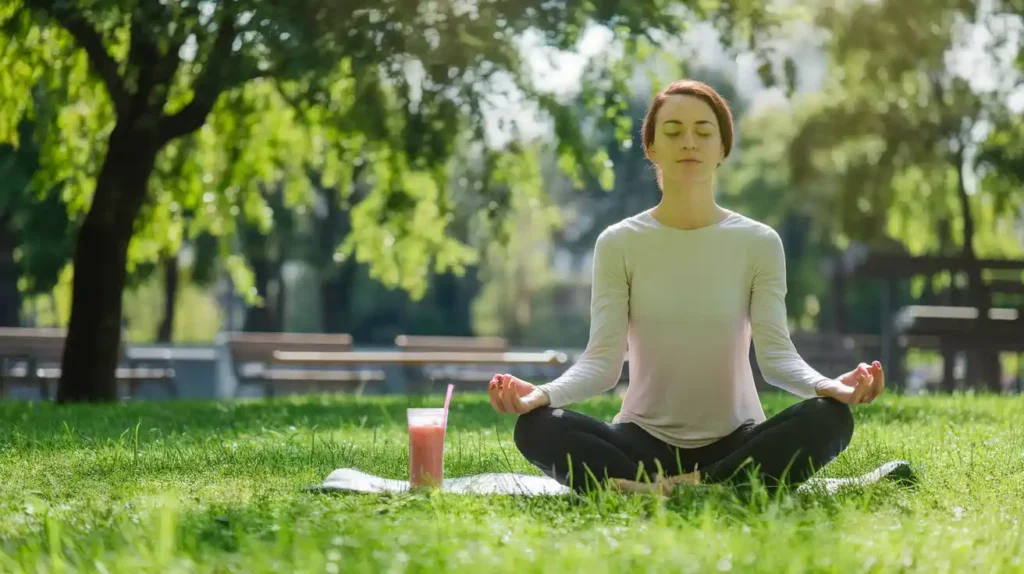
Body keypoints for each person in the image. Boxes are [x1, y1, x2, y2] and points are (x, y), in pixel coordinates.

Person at [486, 79, 886, 496]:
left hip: (736, 441)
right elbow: (602, 363)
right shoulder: (620, 243)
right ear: (653, 148)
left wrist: (830, 387)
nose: (688, 142)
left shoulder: (759, 243)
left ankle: (661, 489)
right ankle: (717, 489)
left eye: (703, 131)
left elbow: (777, 358)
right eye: (673, 132)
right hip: (640, 441)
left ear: (722, 148)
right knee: (537, 427)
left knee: (830, 418)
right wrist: (542, 395)